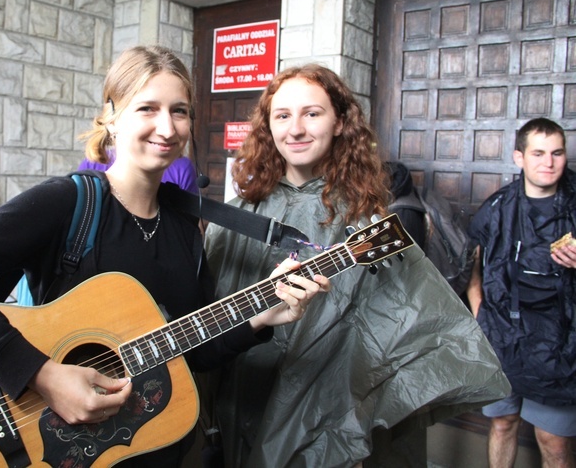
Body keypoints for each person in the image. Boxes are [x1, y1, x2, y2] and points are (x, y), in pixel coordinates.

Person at [0, 45, 329, 467]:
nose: (167, 128)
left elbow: (188, 351)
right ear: (111, 117)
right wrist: (42, 375)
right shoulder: (69, 202)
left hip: (149, 450)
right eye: (148, 108)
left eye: (179, 111)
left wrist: (261, 316)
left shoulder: (185, 226)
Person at [203, 64, 511, 467]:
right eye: (282, 115)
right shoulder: (237, 215)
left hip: (327, 413)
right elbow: (207, 319)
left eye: (312, 113)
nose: (295, 129)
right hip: (243, 399)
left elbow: (404, 336)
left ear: (340, 122)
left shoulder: (367, 222)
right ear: (267, 126)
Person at [467, 117, 576, 468]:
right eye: (539, 153)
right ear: (519, 158)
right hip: (502, 336)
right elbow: (475, 270)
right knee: (501, 422)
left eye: (557, 153)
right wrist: (479, 314)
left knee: (553, 440)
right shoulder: (496, 208)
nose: (549, 162)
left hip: (560, 345)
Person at [78, 151, 200, 194]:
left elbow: (193, 228)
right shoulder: (94, 163)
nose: (167, 130)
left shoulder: (182, 167)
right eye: (145, 109)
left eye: (178, 111)